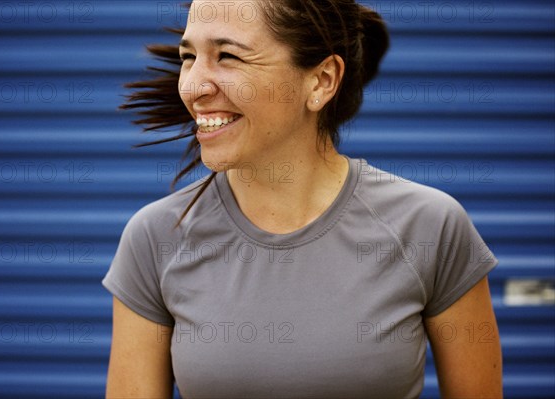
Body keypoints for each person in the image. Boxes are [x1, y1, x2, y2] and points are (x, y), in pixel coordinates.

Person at [102, 1, 503, 398]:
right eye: (188, 56)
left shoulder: (430, 226)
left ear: (321, 81)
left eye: (227, 55)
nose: (192, 87)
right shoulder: (156, 237)